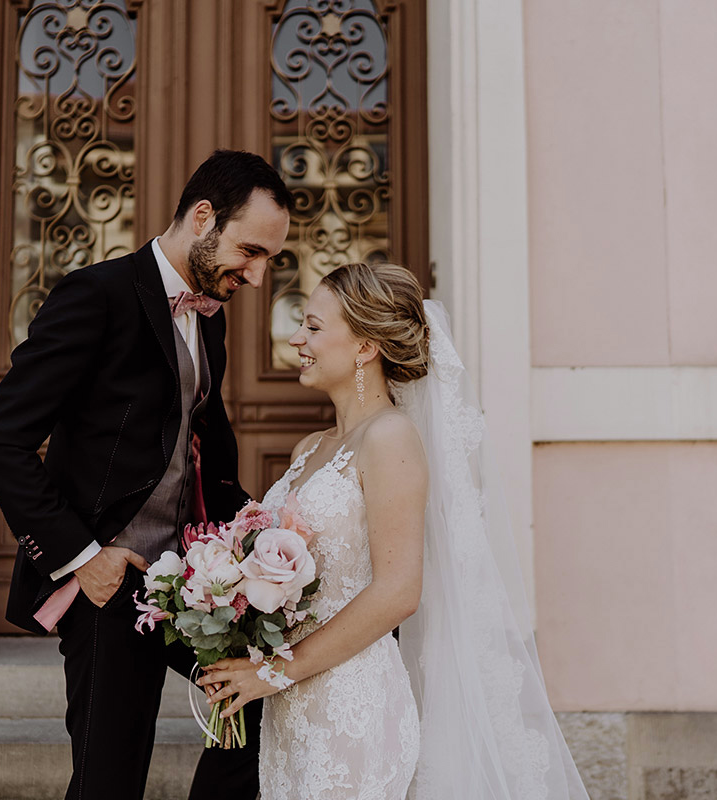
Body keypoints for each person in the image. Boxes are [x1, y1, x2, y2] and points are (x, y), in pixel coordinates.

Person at [198, 263, 591, 799]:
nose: (296, 339)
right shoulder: (308, 449)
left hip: (350, 702)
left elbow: (399, 591)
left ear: (365, 347)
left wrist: (273, 673)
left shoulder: (391, 439)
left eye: (313, 327)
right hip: (289, 704)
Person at [0, 149, 293, 800]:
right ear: (203, 217)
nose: (258, 276)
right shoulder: (96, 297)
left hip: (187, 587)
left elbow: (205, 444)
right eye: (251, 252)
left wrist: (264, 536)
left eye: (269, 260)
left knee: (260, 701)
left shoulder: (212, 317)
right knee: (109, 782)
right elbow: (0, 439)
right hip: (108, 587)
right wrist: (85, 557)